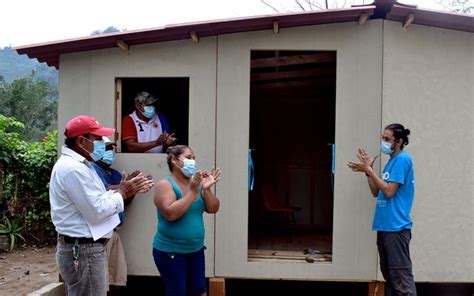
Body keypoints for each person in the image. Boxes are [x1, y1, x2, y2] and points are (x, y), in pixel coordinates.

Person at [49, 115, 154, 296]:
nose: (102, 143)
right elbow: (97, 211)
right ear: (82, 142)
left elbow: (96, 200)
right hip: (84, 251)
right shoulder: (74, 169)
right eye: (97, 139)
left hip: (83, 249)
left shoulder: (81, 165)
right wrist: (122, 192)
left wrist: (122, 191)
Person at [347, 123, 416, 296]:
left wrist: (370, 170)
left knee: (401, 278)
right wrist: (368, 172)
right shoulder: (391, 162)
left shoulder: (402, 160)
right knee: (390, 276)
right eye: (382, 138)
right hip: (385, 226)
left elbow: (389, 191)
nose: (383, 142)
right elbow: (376, 192)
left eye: (387, 139)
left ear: (399, 142)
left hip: (396, 228)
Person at [152, 145, 221, 296]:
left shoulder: (196, 183)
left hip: (196, 250)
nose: (193, 162)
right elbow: (171, 214)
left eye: (194, 158)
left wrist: (206, 189)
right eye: (188, 158)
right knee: (177, 292)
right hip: (171, 252)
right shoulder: (165, 185)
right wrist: (193, 191)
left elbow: (213, 208)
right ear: (174, 161)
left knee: (200, 292)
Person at [91, 137, 145, 290]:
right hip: (100, 233)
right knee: (100, 280)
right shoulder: (92, 170)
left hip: (114, 230)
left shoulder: (114, 173)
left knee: (117, 278)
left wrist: (133, 187)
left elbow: (123, 200)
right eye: (106, 149)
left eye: (112, 149)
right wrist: (127, 185)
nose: (110, 152)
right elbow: (104, 191)